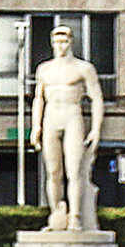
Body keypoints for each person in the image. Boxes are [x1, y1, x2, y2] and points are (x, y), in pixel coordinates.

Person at [30, 23, 105, 232]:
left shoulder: (83, 68)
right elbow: (38, 98)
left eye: (64, 41)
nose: (60, 45)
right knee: (53, 171)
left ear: (71, 42)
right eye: (56, 41)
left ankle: (75, 216)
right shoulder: (44, 69)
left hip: (72, 115)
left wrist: (96, 128)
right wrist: (36, 126)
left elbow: (97, 98)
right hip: (51, 117)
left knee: (74, 170)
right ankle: (56, 215)